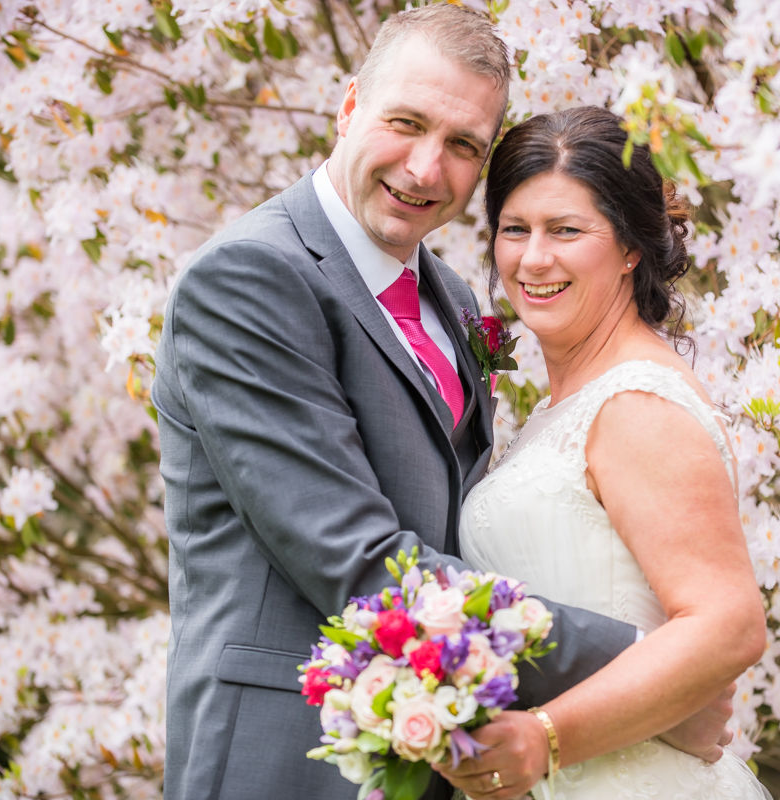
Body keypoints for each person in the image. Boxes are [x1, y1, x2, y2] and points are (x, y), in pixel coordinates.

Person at [152, 8, 729, 800]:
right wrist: (651, 673)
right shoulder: (252, 280)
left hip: (449, 760)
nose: (426, 169)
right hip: (286, 755)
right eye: (406, 122)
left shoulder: (451, 300)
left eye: (464, 145)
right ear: (349, 106)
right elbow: (359, 563)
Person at [438, 106, 771, 800]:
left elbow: (728, 625)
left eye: (567, 230)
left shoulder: (635, 404)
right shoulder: (563, 408)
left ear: (629, 248)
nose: (533, 259)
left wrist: (549, 737)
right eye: (514, 230)